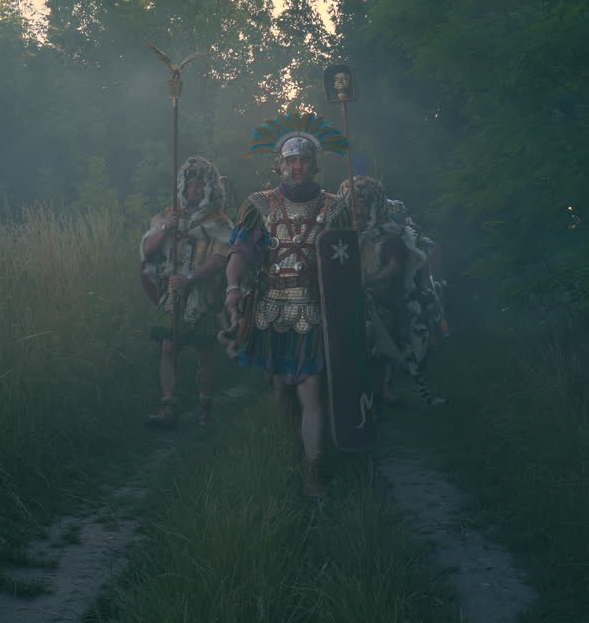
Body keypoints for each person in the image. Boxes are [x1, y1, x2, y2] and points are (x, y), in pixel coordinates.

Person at [222, 112, 352, 497]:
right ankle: (287, 455)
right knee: (280, 387)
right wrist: (232, 286)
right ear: (278, 163)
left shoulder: (334, 207)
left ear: (314, 164)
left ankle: (313, 472)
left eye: (304, 160)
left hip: (314, 308)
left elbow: (345, 263)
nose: (297, 167)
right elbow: (241, 250)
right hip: (270, 307)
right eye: (290, 160)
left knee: (311, 389)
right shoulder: (259, 204)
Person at [140, 156, 233, 428]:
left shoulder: (219, 221)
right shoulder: (169, 216)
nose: (194, 190)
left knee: (206, 351)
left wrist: (191, 277)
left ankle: (205, 405)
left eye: (200, 185)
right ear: (183, 187)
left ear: (209, 189)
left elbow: (219, 259)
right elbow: (148, 250)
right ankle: (169, 404)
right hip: (173, 294)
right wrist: (166, 228)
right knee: (169, 347)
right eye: (190, 184)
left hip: (203, 296)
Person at [338, 175, 447, 407]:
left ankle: (385, 386)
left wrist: (370, 280)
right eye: (354, 202)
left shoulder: (391, 233)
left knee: (384, 343)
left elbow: (394, 268)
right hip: (348, 299)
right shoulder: (339, 231)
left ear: (373, 204)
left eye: (363, 202)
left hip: (382, 298)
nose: (358, 208)